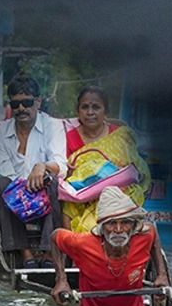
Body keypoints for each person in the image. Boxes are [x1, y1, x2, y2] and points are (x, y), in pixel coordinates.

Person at [51, 187, 170, 306]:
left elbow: (153, 232)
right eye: (111, 224)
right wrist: (61, 280)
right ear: (101, 227)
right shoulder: (84, 244)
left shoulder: (144, 236)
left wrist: (162, 275)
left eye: (125, 223)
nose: (118, 229)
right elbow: (55, 236)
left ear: (133, 226)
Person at [0, 75, 68, 269]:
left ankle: (49, 253)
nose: (21, 108)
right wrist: (27, 187)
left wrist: (42, 166)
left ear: (37, 102)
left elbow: (60, 164)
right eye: (16, 104)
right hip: (15, 196)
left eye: (27, 102)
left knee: (55, 183)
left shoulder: (52, 126)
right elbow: (5, 173)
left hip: (45, 192)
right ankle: (25, 253)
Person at [62, 86, 151, 233]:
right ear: (77, 111)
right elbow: (66, 174)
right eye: (85, 107)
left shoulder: (120, 136)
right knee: (68, 206)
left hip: (118, 196)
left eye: (96, 107)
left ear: (106, 111)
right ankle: (71, 248)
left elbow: (137, 167)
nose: (90, 112)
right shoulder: (68, 138)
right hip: (81, 198)